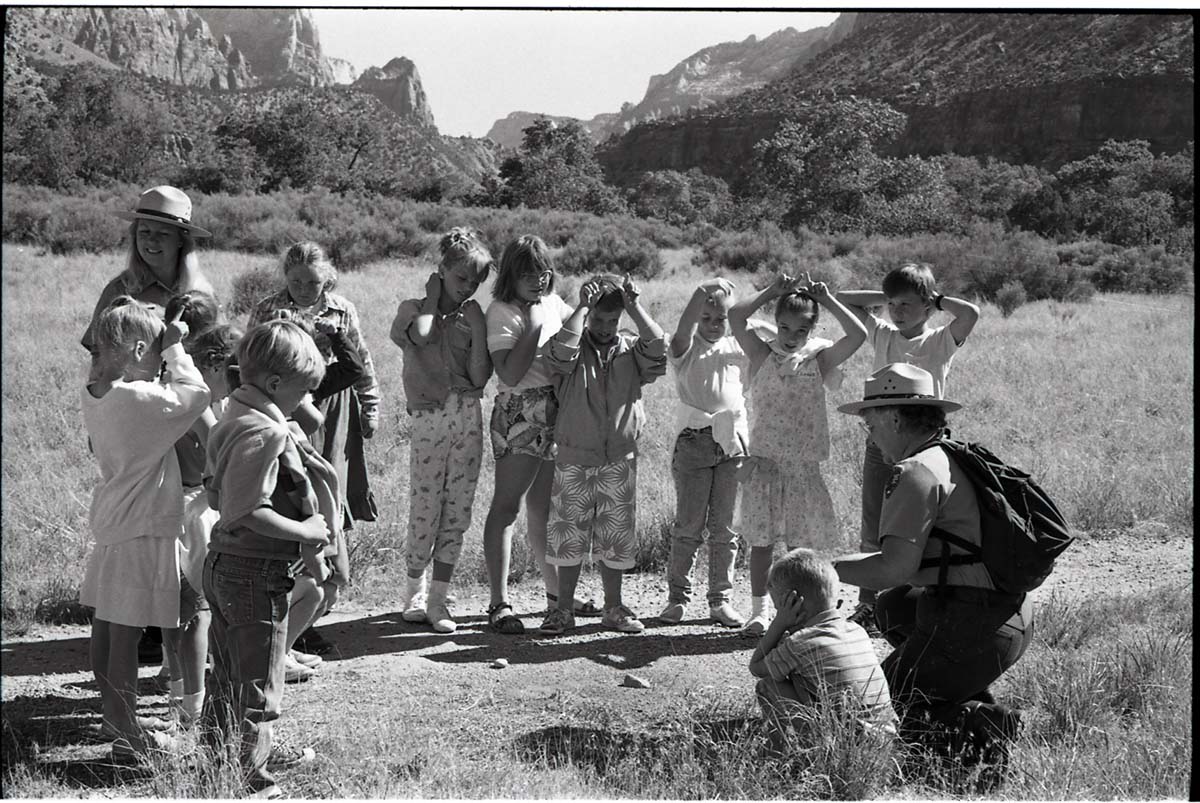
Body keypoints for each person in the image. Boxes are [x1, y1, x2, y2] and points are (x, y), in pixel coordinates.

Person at [831, 364, 1029, 748]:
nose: (870, 439)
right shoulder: (950, 454)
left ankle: (983, 722)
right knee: (893, 608)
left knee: (874, 709)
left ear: (894, 418)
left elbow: (893, 568)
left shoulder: (913, 472)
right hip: (1007, 615)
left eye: (870, 426)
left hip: (977, 624)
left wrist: (824, 569)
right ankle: (958, 690)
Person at [82, 186, 215, 666]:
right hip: (138, 422)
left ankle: (181, 652)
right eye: (144, 231)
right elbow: (97, 358)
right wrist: (99, 420)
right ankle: (144, 630)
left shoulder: (198, 297)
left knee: (187, 521)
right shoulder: (118, 291)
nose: (151, 241)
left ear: (184, 243)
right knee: (144, 521)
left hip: (185, 420)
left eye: (163, 233)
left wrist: (211, 432)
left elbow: (208, 369)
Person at [201, 320, 334, 799]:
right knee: (258, 681)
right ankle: (248, 778)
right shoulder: (263, 433)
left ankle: (218, 758)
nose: (305, 401)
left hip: (226, 566)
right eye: (303, 391)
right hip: (253, 573)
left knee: (228, 673)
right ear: (276, 385)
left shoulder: (234, 418)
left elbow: (217, 495)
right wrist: (305, 530)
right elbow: (245, 510)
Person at [80, 297, 210, 760]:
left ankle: (113, 713)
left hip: (114, 522)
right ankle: (124, 732)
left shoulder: (96, 394)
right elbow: (196, 396)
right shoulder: (139, 399)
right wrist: (177, 350)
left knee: (109, 627)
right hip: (143, 528)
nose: (160, 363)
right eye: (153, 351)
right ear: (138, 350)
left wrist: (159, 343)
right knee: (127, 634)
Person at [249, 242, 379, 656]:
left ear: (329, 278)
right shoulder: (268, 308)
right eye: (297, 281)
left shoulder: (342, 309)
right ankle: (292, 608)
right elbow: (249, 356)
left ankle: (313, 605)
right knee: (289, 492)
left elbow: (361, 359)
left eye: (314, 281)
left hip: (333, 403)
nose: (305, 289)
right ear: (285, 278)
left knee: (328, 493)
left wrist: (371, 406)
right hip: (282, 404)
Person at [836, 263, 980, 630]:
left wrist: (938, 299)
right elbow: (844, 301)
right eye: (892, 304)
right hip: (881, 441)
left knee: (923, 526)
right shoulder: (883, 334)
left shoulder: (939, 340)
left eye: (907, 305)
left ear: (928, 306)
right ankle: (869, 605)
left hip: (924, 446)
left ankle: (916, 599)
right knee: (876, 521)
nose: (897, 312)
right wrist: (886, 298)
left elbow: (971, 313)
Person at [729, 272, 867, 636]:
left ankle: (799, 613)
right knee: (761, 543)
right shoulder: (762, 353)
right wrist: (771, 291)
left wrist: (829, 299)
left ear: (811, 329)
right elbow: (735, 318)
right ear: (775, 324)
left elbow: (859, 335)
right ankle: (759, 612)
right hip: (765, 466)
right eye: (784, 327)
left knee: (799, 549)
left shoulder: (817, 360)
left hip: (803, 469)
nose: (791, 337)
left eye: (801, 331)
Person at [538, 273, 668, 636]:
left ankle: (613, 608)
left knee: (616, 538)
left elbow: (658, 347)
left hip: (619, 458)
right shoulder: (572, 349)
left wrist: (635, 306)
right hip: (574, 457)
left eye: (614, 320)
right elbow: (560, 353)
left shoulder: (630, 351)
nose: (606, 327)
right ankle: (563, 610)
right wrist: (581, 306)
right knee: (569, 539)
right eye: (599, 319)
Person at [481, 235, 597, 634]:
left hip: (557, 409)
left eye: (542, 272)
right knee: (507, 507)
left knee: (544, 510)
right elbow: (510, 373)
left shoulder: (553, 303)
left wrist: (584, 306)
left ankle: (555, 596)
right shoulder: (503, 312)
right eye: (526, 272)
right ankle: (499, 603)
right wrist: (531, 325)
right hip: (520, 411)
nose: (536, 279)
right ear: (510, 275)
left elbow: (575, 332)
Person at [389, 228, 494, 633]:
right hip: (430, 417)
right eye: (460, 278)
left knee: (458, 506)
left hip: (467, 414)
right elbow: (423, 334)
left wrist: (479, 327)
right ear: (441, 271)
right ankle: (413, 591)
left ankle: (439, 597)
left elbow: (480, 377)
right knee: (426, 503)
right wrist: (433, 298)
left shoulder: (473, 315)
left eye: (475, 282)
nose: (467, 288)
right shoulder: (414, 308)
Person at [658, 277, 749, 627]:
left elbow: (759, 330)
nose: (713, 324)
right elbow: (683, 327)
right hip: (694, 442)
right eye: (706, 317)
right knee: (689, 526)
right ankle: (678, 599)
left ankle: (720, 601)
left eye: (720, 318)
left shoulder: (736, 347)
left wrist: (753, 307)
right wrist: (702, 290)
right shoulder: (685, 347)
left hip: (731, 443)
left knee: (724, 528)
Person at [749, 548, 896, 755]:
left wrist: (779, 623)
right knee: (801, 676)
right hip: (883, 742)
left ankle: (778, 753)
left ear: (794, 605)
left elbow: (756, 667)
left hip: (845, 746)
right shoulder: (857, 631)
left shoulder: (801, 642)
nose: (778, 614)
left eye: (778, 608)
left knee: (768, 685)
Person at [159, 293, 224, 724]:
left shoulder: (160, 385)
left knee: (173, 604)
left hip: (167, 503)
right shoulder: (194, 397)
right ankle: (193, 702)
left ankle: (175, 678)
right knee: (197, 608)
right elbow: (216, 450)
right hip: (194, 505)